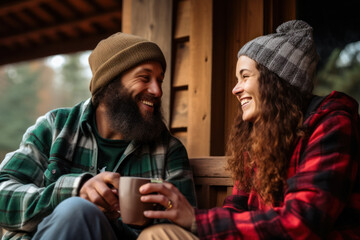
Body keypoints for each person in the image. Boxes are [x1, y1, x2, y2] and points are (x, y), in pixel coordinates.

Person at [137, 20, 360, 239]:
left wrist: (197, 220)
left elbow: (303, 223)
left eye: (245, 76)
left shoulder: (331, 125)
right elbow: (237, 207)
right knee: (157, 234)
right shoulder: (261, 136)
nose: (235, 89)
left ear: (276, 82)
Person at [0, 32, 196, 239]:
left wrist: (108, 219)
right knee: (76, 210)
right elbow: (3, 193)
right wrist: (74, 191)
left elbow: (179, 226)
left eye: (160, 80)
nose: (157, 91)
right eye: (144, 78)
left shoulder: (168, 151)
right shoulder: (54, 127)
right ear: (110, 83)